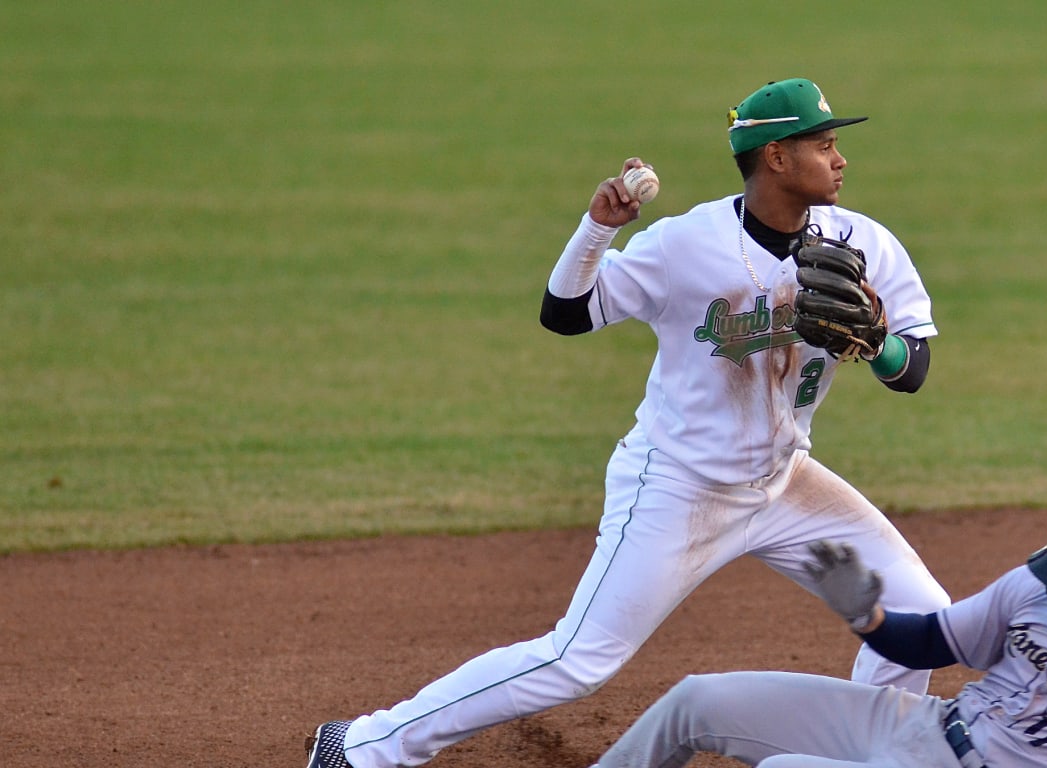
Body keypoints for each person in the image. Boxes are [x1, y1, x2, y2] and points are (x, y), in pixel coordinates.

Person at [304, 77, 952, 768]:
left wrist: (877, 340)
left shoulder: (863, 242)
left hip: (785, 482)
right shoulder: (684, 244)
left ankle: (868, 758)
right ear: (776, 158)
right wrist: (598, 230)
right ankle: (365, 747)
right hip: (680, 485)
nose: (840, 157)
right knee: (578, 658)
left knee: (920, 618)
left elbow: (911, 369)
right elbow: (566, 314)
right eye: (823, 144)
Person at [593, 484, 1047, 768]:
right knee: (696, 700)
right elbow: (932, 643)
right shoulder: (1038, 590)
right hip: (924, 729)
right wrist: (864, 614)